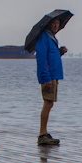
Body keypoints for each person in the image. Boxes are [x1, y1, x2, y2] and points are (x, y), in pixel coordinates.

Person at [35, 17, 68, 146]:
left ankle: (45, 132)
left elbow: (51, 56)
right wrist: (45, 76)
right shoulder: (44, 36)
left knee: (49, 104)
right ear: (48, 25)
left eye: (57, 23)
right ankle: (42, 134)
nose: (55, 25)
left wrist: (60, 52)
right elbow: (41, 57)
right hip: (48, 76)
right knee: (47, 103)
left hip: (53, 75)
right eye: (53, 23)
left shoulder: (52, 38)